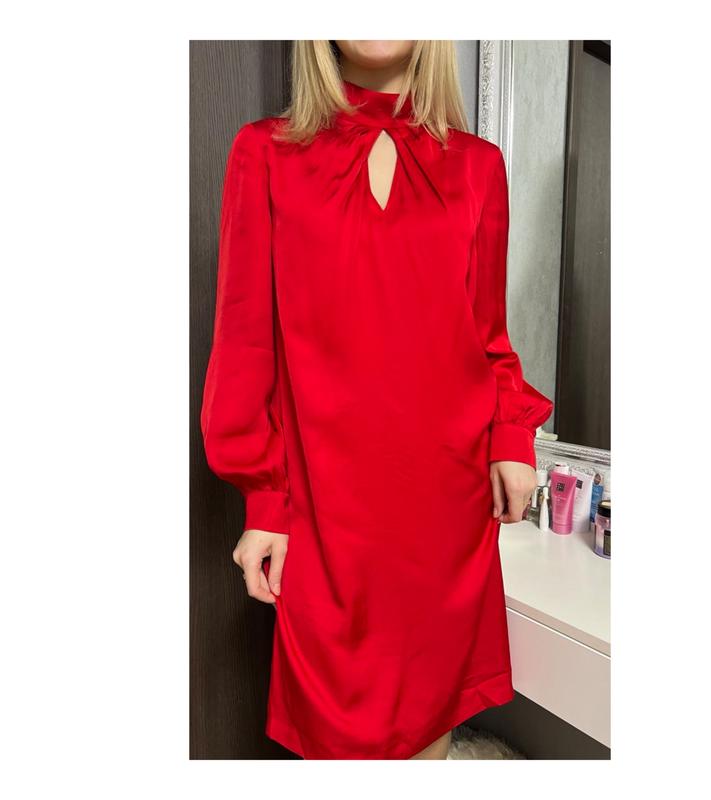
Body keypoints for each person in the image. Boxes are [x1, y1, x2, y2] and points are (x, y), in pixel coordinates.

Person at [200, 40, 554, 760]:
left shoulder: (478, 165)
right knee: (337, 736)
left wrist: (512, 437)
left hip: (446, 510)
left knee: (429, 731)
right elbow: (244, 341)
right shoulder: (264, 153)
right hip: (326, 513)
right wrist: (263, 498)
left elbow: (488, 335)